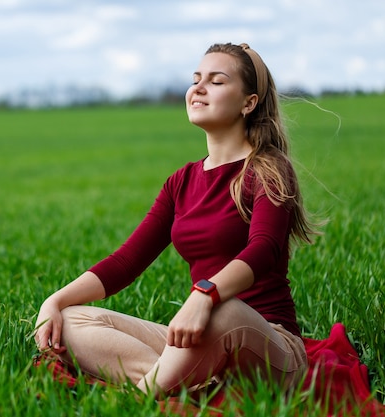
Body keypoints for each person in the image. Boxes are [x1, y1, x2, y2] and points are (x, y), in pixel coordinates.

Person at [34, 42, 318, 398]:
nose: (198, 88)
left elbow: (264, 249)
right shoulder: (181, 181)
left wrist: (205, 294)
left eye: (216, 81)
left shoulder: (269, 170)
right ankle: (183, 385)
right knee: (74, 320)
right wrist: (55, 302)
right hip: (201, 334)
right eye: (196, 79)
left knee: (225, 311)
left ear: (249, 102)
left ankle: (138, 398)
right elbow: (126, 261)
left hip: (268, 346)